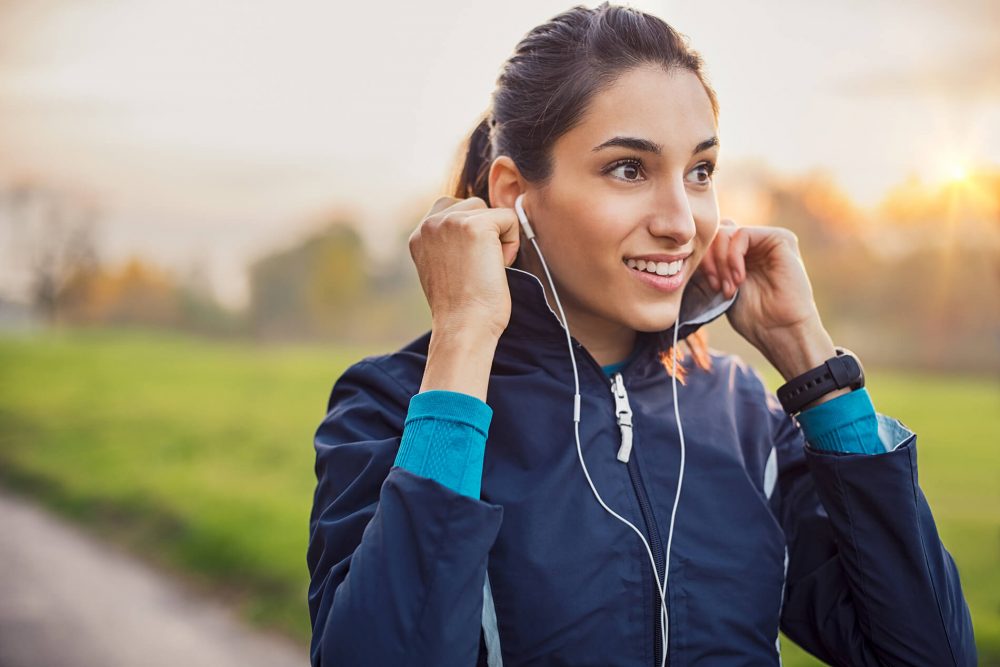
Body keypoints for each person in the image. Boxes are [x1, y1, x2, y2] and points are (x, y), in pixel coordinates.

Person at [306, 4, 977, 666]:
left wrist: (812, 360)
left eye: (701, 171)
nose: (681, 222)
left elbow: (930, 652)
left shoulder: (744, 417)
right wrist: (462, 339)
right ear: (513, 192)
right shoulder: (392, 405)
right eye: (629, 168)